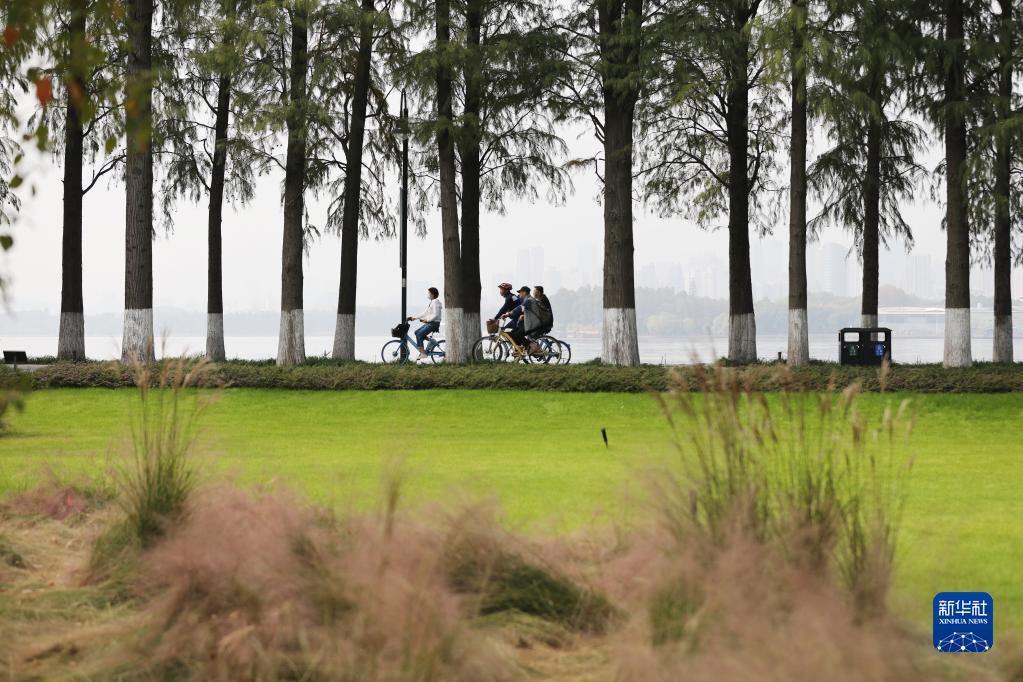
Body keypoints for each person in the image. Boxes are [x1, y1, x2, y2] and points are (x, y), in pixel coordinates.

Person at [408, 287, 442, 359]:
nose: (428, 294)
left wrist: (427, 320)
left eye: (429, 293)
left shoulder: (435, 302)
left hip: (433, 323)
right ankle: (431, 341)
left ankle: (423, 354)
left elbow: (436, 314)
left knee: (419, 334)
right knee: (417, 332)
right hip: (431, 322)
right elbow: (425, 313)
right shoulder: (432, 302)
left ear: (432, 294)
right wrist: (414, 317)